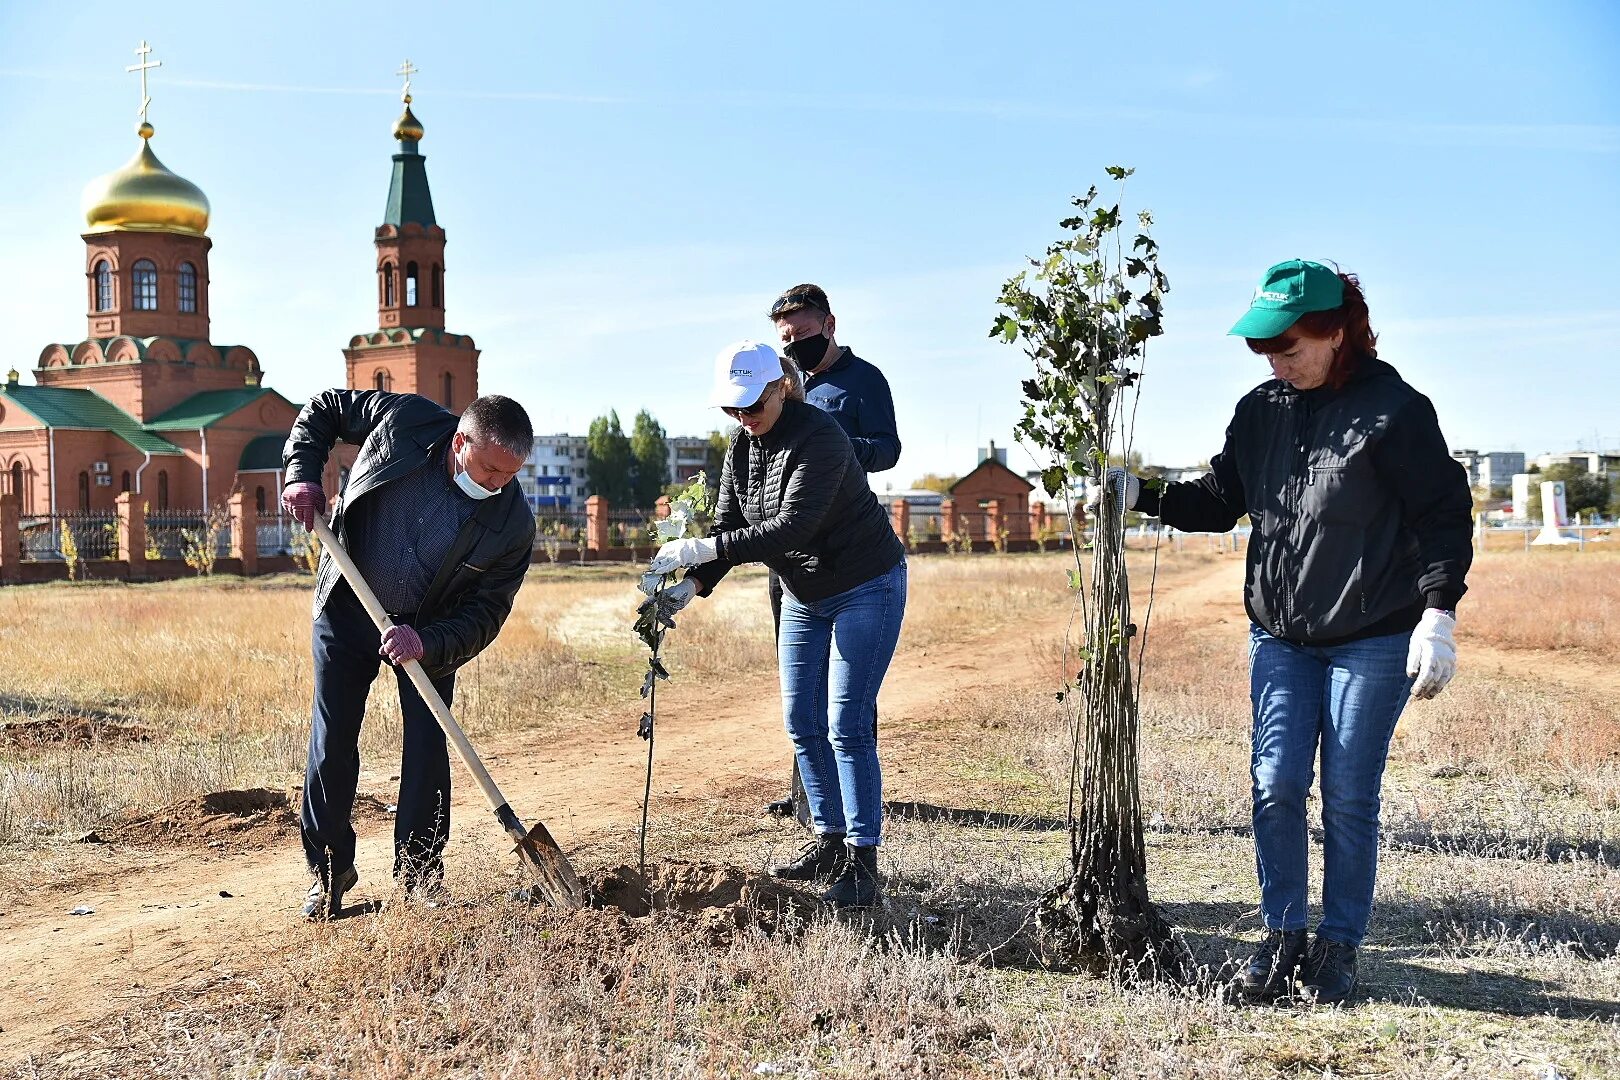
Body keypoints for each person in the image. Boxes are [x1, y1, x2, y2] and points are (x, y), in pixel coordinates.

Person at [1100, 260, 1471, 1004]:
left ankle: (1338, 947)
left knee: (1347, 792)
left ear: (1338, 332)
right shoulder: (1260, 410)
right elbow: (1219, 498)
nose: (1274, 359)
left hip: (1372, 634)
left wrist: (1439, 612)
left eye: (1288, 344)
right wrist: (1140, 493)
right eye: (1263, 347)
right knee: (1274, 785)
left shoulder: (1396, 413)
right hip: (1279, 635)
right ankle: (1281, 936)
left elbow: (1442, 515)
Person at [647, 340, 907, 908]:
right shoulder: (740, 446)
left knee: (847, 722)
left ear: (781, 387)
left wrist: (701, 547)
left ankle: (864, 861)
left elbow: (790, 528)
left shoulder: (821, 437)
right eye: (733, 408)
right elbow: (730, 522)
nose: (744, 415)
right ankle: (829, 841)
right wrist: (696, 584)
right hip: (804, 594)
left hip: (866, 584)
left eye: (753, 402)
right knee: (801, 719)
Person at [281, 389, 536, 919]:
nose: (496, 484)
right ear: (460, 441)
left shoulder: (512, 523)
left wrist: (429, 642)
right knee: (333, 741)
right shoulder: (408, 420)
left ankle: (419, 875)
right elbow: (324, 409)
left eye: (509, 476)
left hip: (430, 628)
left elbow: (486, 613)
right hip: (348, 598)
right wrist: (301, 473)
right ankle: (328, 872)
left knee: (427, 748)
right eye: (489, 470)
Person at [763, 284, 901, 821]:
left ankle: (856, 789)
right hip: (790, 556)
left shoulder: (864, 381)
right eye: (785, 338)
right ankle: (807, 795)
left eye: (801, 333)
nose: (794, 344)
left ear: (829, 324)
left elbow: (888, 450)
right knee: (800, 685)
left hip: (849, 551)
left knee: (847, 687)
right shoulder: (783, 384)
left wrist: (837, 444)